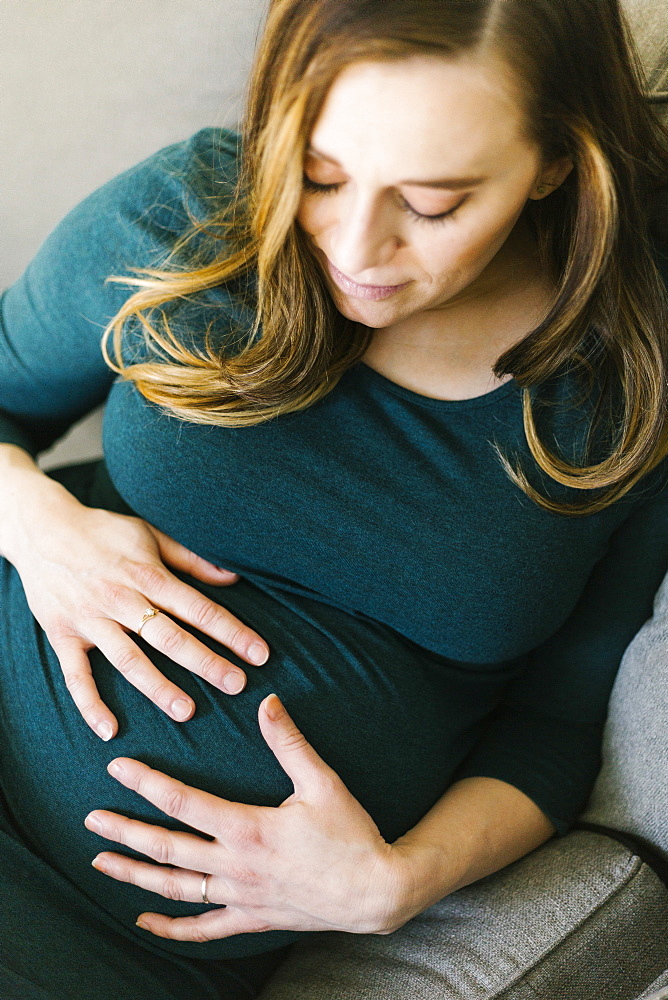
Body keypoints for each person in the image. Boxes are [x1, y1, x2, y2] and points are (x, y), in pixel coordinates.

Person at [1, 0, 667, 997]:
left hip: (131, 948)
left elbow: (555, 727)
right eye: (318, 172)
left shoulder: (621, 394)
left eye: (432, 203)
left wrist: (396, 884)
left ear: (555, 161)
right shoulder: (188, 217)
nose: (356, 246)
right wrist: (37, 523)